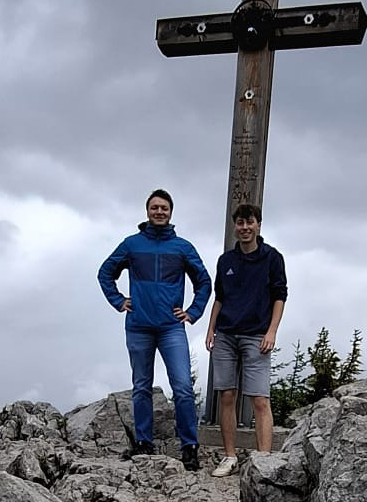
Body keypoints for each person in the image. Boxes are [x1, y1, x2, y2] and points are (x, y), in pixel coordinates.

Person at [97, 189, 212, 471]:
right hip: (138, 326)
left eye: (164, 208)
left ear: (171, 212)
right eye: (154, 208)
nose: (159, 212)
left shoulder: (183, 247)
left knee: (183, 387)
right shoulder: (132, 245)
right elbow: (105, 273)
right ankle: (144, 442)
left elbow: (205, 282)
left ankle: (190, 446)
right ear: (147, 211)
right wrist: (118, 300)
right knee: (141, 387)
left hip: (172, 327)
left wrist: (193, 312)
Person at [205, 203, 287, 476]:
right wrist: (210, 329)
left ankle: (264, 460)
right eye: (240, 223)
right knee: (226, 395)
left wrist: (272, 331)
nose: (244, 228)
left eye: (249, 222)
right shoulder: (225, 261)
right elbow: (220, 297)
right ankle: (229, 457)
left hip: (256, 335)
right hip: (226, 333)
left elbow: (280, 296)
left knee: (260, 399)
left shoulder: (272, 258)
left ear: (258, 225)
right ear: (235, 226)